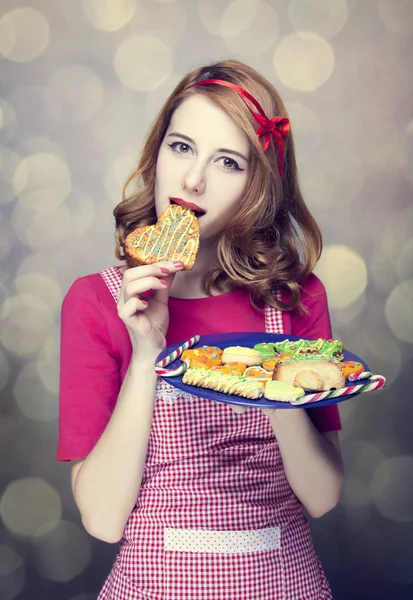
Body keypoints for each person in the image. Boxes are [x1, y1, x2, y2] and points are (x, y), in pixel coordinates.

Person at [58, 59, 344, 600]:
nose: (193, 179)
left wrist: (271, 376)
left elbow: (324, 496)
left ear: (259, 185)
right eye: (181, 147)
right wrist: (147, 353)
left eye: (228, 162)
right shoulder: (95, 302)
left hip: (286, 585)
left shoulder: (297, 300)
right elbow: (101, 519)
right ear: (158, 151)